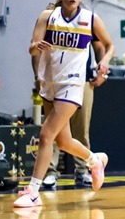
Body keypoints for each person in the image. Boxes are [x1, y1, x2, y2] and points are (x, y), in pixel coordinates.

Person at [15, 0, 114, 208]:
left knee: (45, 135)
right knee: (65, 141)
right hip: (49, 81)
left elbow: (109, 45)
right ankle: (95, 160)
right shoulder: (47, 16)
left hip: (72, 83)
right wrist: (37, 46)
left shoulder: (90, 19)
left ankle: (33, 191)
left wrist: (105, 62)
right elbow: (32, 47)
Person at [40, 40, 107, 190]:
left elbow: (104, 45)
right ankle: (51, 172)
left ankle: (83, 169)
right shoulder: (49, 24)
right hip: (54, 81)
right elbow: (35, 47)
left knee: (77, 130)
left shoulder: (88, 24)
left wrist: (103, 71)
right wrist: (38, 75)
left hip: (80, 81)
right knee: (57, 136)